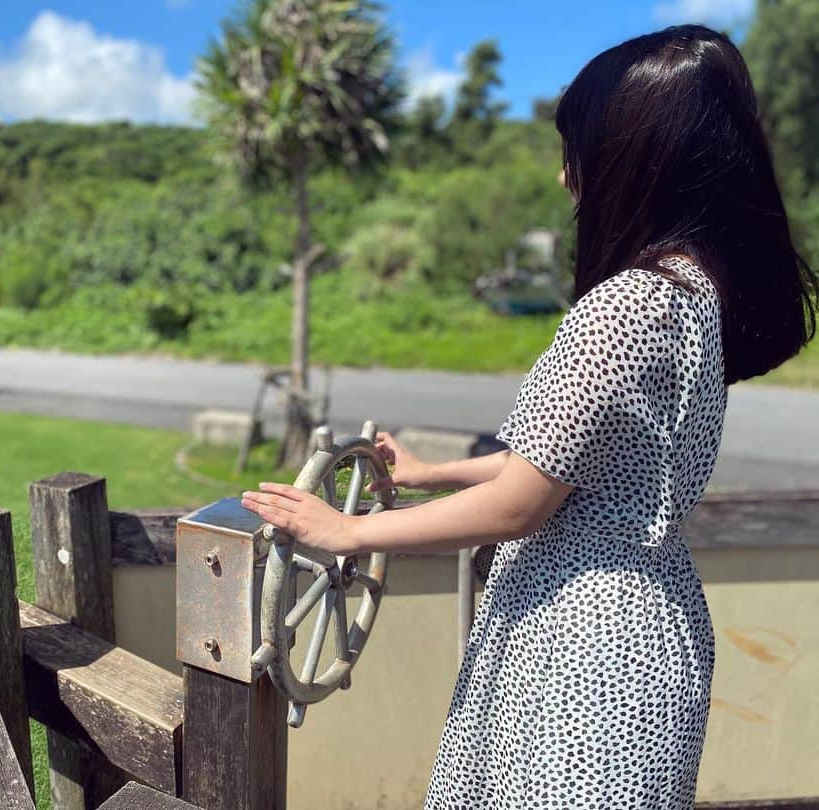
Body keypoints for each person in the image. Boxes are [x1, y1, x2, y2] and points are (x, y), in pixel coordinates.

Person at [240, 24, 818, 809]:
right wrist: (431, 473)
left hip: (582, 649)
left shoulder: (625, 307)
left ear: (635, 156)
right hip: (651, 626)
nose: (563, 176)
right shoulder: (695, 293)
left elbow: (520, 504)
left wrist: (348, 532)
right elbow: (573, 461)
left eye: (577, 150)